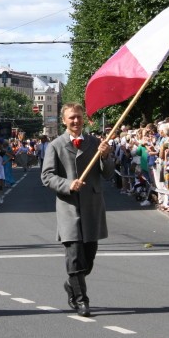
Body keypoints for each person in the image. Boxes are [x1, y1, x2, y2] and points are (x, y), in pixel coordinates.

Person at [41, 103, 114, 317]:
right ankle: (82, 300)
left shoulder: (95, 143)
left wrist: (106, 156)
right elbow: (46, 176)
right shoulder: (55, 145)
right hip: (69, 209)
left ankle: (71, 284)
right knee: (74, 258)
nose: (75, 121)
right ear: (64, 120)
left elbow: (108, 174)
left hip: (92, 208)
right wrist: (67, 184)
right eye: (71, 118)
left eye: (79, 117)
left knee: (88, 260)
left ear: (83, 119)